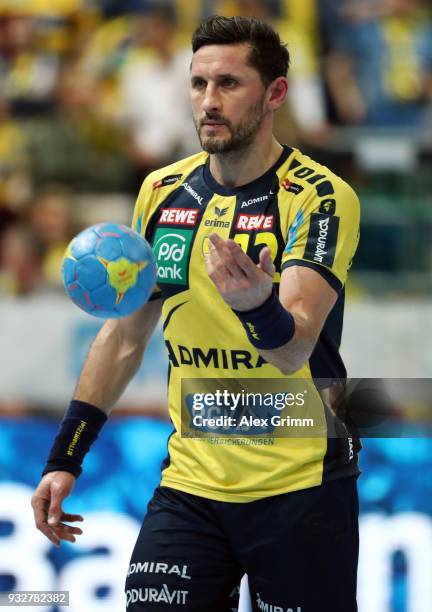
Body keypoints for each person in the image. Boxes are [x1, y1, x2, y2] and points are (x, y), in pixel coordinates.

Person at [31, 15, 361, 612]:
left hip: (301, 487)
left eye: (229, 84)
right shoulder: (161, 192)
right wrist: (66, 456)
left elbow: (293, 350)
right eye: (198, 84)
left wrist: (256, 304)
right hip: (191, 483)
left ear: (274, 94)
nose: (208, 102)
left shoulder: (320, 196)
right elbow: (126, 336)